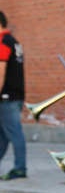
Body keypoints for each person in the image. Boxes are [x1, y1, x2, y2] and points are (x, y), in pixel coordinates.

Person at [0, 10, 26, 180]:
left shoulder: (2, 42)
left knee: (14, 132)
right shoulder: (15, 42)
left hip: (6, 96)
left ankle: (20, 168)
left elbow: (0, 72)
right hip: (16, 95)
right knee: (3, 134)